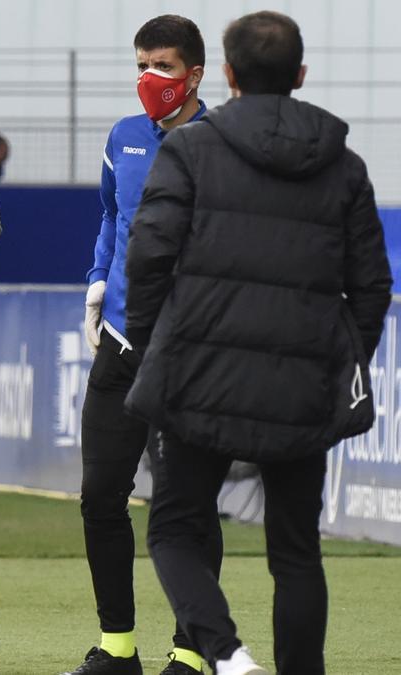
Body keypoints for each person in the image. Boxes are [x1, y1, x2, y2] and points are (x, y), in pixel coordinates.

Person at [125, 11, 392, 675]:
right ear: (300, 75)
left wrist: (151, 347)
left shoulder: (188, 150)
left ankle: (227, 653)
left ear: (228, 75)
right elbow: (372, 286)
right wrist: (339, 357)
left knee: (172, 528)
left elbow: (147, 259)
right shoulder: (345, 165)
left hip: (198, 374)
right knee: (297, 550)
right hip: (299, 385)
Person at [69, 15, 213, 675]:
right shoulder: (122, 138)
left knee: (183, 503)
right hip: (120, 344)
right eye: (141, 64)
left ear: (196, 73)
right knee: (101, 491)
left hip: (189, 350)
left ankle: (191, 648)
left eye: (163, 65)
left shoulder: (223, 143)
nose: (149, 78)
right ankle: (118, 647)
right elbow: (109, 213)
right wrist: (99, 279)